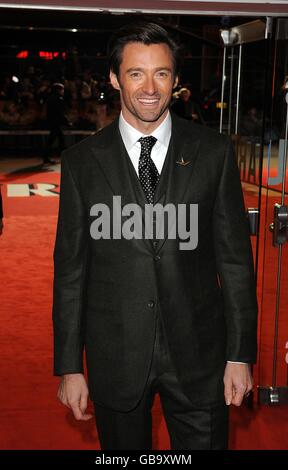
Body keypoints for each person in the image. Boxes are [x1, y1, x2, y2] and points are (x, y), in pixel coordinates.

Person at [53, 22, 258, 450]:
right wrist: (70, 366)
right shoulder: (81, 164)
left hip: (201, 357)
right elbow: (71, 272)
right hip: (117, 355)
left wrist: (239, 355)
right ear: (114, 78)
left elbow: (235, 264)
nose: (150, 87)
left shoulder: (214, 153)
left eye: (161, 73)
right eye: (135, 73)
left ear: (175, 79)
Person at [44, 83, 71, 165]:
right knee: (54, 140)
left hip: (52, 122)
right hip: (56, 123)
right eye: (62, 89)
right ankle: (48, 157)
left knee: (58, 139)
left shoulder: (50, 98)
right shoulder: (59, 99)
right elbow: (60, 113)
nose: (63, 91)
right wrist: (67, 122)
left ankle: (47, 157)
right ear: (58, 90)